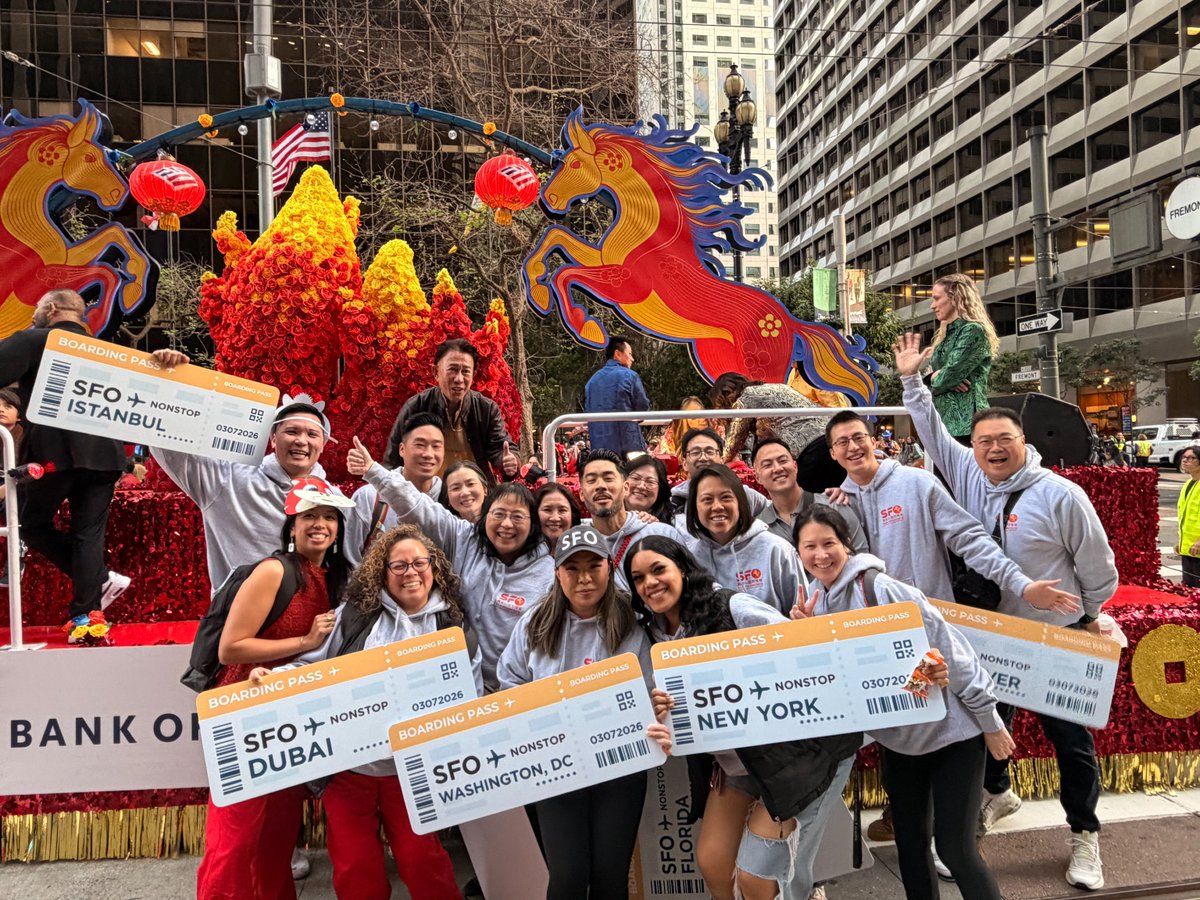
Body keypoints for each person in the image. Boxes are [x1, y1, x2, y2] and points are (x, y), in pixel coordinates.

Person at [896, 331, 1118, 889]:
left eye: (1005, 439)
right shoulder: (968, 473)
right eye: (983, 441)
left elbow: (1099, 567)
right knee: (988, 729)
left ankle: (1085, 836)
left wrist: (1090, 615)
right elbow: (931, 432)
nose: (994, 449)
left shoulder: (1060, 495)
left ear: (1024, 441)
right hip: (991, 640)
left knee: (1071, 743)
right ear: (972, 449)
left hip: (1054, 636)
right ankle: (996, 796)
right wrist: (911, 381)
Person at [792, 505, 1013, 900]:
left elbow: (949, 649)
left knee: (956, 850)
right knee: (910, 846)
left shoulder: (880, 588)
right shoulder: (814, 601)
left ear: (847, 544)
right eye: (809, 546)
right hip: (898, 742)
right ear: (798, 552)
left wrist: (989, 721)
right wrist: (804, 634)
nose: (820, 555)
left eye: (829, 543)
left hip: (953, 736)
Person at [625, 536, 859, 900]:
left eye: (658, 569)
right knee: (713, 860)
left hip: (797, 756)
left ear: (683, 570)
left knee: (756, 876)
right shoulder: (650, 637)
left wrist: (803, 631)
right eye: (639, 578)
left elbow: (801, 657)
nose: (650, 583)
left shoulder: (731, 607)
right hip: (736, 765)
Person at [252, 525, 473, 900]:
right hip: (350, 771)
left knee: (424, 862)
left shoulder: (452, 625)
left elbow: (466, 695)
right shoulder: (354, 616)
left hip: (412, 770)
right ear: (382, 572)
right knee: (356, 868)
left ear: (435, 567)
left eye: (420, 562)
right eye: (398, 565)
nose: (411, 572)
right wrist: (275, 678)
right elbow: (314, 666)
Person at [196, 477, 354, 900]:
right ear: (291, 525)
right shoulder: (273, 571)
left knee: (277, 834)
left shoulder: (331, 578)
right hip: (245, 712)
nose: (319, 524)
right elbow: (231, 649)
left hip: (290, 718)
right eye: (309, 517)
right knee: (236, 838)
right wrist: (304, 643)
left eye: (328, 517)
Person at [498, 525, 667, 900]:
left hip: (618, 769)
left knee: (610, 877)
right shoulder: (536, 622)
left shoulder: (633, 623)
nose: (585, 578)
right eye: (572, 568)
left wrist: (654, 709)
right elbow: (510, 681)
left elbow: (651, 687)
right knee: (568, 877)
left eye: (594, 566)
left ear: (610, 568)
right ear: (557, 573)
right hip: (555, 769)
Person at [347, 436, 553, 691]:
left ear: (533, 525)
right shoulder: (466, 539)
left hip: (521, 691)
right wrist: (374, 472)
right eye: (498, 515)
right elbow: (419, 506)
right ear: (486, 518)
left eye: (517, 517)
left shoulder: (549, 575)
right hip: (464, 683)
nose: (506, 525)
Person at [825, 409, 1081, 614]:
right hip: (874, 622)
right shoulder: (837, 505)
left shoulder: (917, 483)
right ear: (833, 453)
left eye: (859, 438)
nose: (853, 447)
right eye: (843, 442)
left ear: (873, 441)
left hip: (930, 616)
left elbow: (969, 539)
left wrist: (1021, 584)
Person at [0, 289, 130, 641]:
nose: (32, 315)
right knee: (89, 536)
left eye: (37, 307)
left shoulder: (34, 340)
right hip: (105, 456)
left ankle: (99, 583)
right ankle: (87, 617)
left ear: (52, 308)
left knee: (30, 523)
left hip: (52, 454)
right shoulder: (109, 351)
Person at [383, 338, 520, 481]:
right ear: (436, 372)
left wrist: (509, 461)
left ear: (473, 374)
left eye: (466, 371)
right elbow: (392, 461)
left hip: (473, 494)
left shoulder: (485, 408)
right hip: (429, 494)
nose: (459, 379)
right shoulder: (417, 406)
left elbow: (501, 447)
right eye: (452, 370)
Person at [683, 463, 802, 614]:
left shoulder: (776, 550)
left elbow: (802, 614)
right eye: (707, 499)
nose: (717, 506)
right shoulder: (691, 560)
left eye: (726, 497)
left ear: (741, 502)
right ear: (694, 507)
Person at [344, 412, 444, 565]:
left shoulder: (450, 499)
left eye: (436, 446)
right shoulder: (369, 498)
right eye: (420, 445)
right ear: (402, 449)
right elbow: (349, 562)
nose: (428, 454)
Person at [577, 448, 684, 590]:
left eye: (608, 479)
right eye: (591, 480)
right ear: (581, 494)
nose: (601, 486)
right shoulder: (576, 543)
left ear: (625, 487)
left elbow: (694, 585)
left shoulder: (663, 534)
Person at [751, 437, 868, 552]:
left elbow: (863, 557)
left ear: (795, 467)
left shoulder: (834, 506)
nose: (777, 468)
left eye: (782, 461)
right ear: (757, 477)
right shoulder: (759, 529)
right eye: (767, 465)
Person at [927, 274, 999, 441]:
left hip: (968, 426)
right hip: (943, 424)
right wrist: (934, 376)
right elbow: (935, 376)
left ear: (955, 296)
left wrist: (939, 377)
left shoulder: (973, 330)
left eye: (937, 298)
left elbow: (947, 377)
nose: (933, 306)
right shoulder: (944, 335)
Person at [710, 372, 825, 464]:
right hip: (827, 433)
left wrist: (719, 461)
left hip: (810, 448)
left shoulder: (746, 398)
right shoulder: (775, 387)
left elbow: (734, 440)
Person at [669, 427, 770, 528]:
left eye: (709, 452)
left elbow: (774, 511)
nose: (703, 458)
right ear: (684, 463)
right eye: (695, 452)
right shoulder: (674, 503)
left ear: (722, 460)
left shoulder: (744, 494)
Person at [584, 336, 651, 458]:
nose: (632, 359)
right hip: (628, 444)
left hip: (599, 448)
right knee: (634, 475)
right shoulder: (630, 376)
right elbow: (643, 408)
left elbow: (588, 411)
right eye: (629, 354)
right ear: (618, 354)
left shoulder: (591, 382)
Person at [623, 454, 675, 523]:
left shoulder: (667, 528)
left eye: (650, 481)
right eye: (635, 478)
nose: (641, 486)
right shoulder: (606, 515)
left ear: (660, 490)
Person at [535, 481, 581, 552]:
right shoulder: (520, 556)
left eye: (562, 510)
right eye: (547, 510)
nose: (555, 518)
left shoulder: (584, 553)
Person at [1178, 445, 1200, 588]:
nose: (1186, 461)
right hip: (1188, 549)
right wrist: (1180, 542)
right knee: (1190, 592)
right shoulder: (1188, 484)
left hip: (1198, 548)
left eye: (1191, 458)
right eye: (1184, 457)